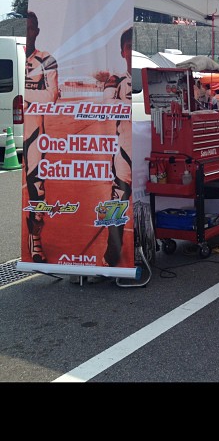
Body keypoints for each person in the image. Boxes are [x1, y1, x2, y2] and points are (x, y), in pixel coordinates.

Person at [23, 11, 59, 263]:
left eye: (31, 28)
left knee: (37, 186)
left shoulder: (46, 59)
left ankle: (36, 240)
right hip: (17, 128)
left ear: (36, 31)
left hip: (34, 131)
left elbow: (51, 96)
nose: (28, 32)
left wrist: (25, 96)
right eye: (24, 27)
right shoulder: (15, 56)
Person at [102, 27, 133, 267]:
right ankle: (113, 246)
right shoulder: (117, 80)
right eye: (128, 47)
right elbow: (105, 110)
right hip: (124, 151)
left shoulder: (142, 78)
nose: (130, 51)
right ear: (122, 51)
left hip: (143, 151)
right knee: (118, 197)